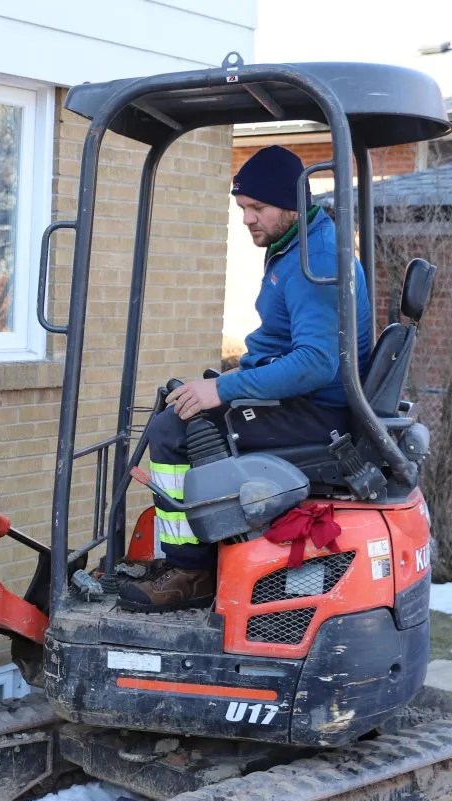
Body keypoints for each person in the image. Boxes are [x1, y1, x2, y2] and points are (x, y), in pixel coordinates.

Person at [118, 145, 372, 613]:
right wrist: (226, 380)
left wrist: (222, 389)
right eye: (242, 208)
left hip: (321, 415)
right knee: (177, 405)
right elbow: (284, 346)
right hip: (306, 402)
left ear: (291, 206)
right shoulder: (295, 246)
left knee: (173, 431)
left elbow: (317, 363)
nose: (247, 219)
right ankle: (202, 551)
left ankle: (190, 570)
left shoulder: (314, 261)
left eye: (257, 208)